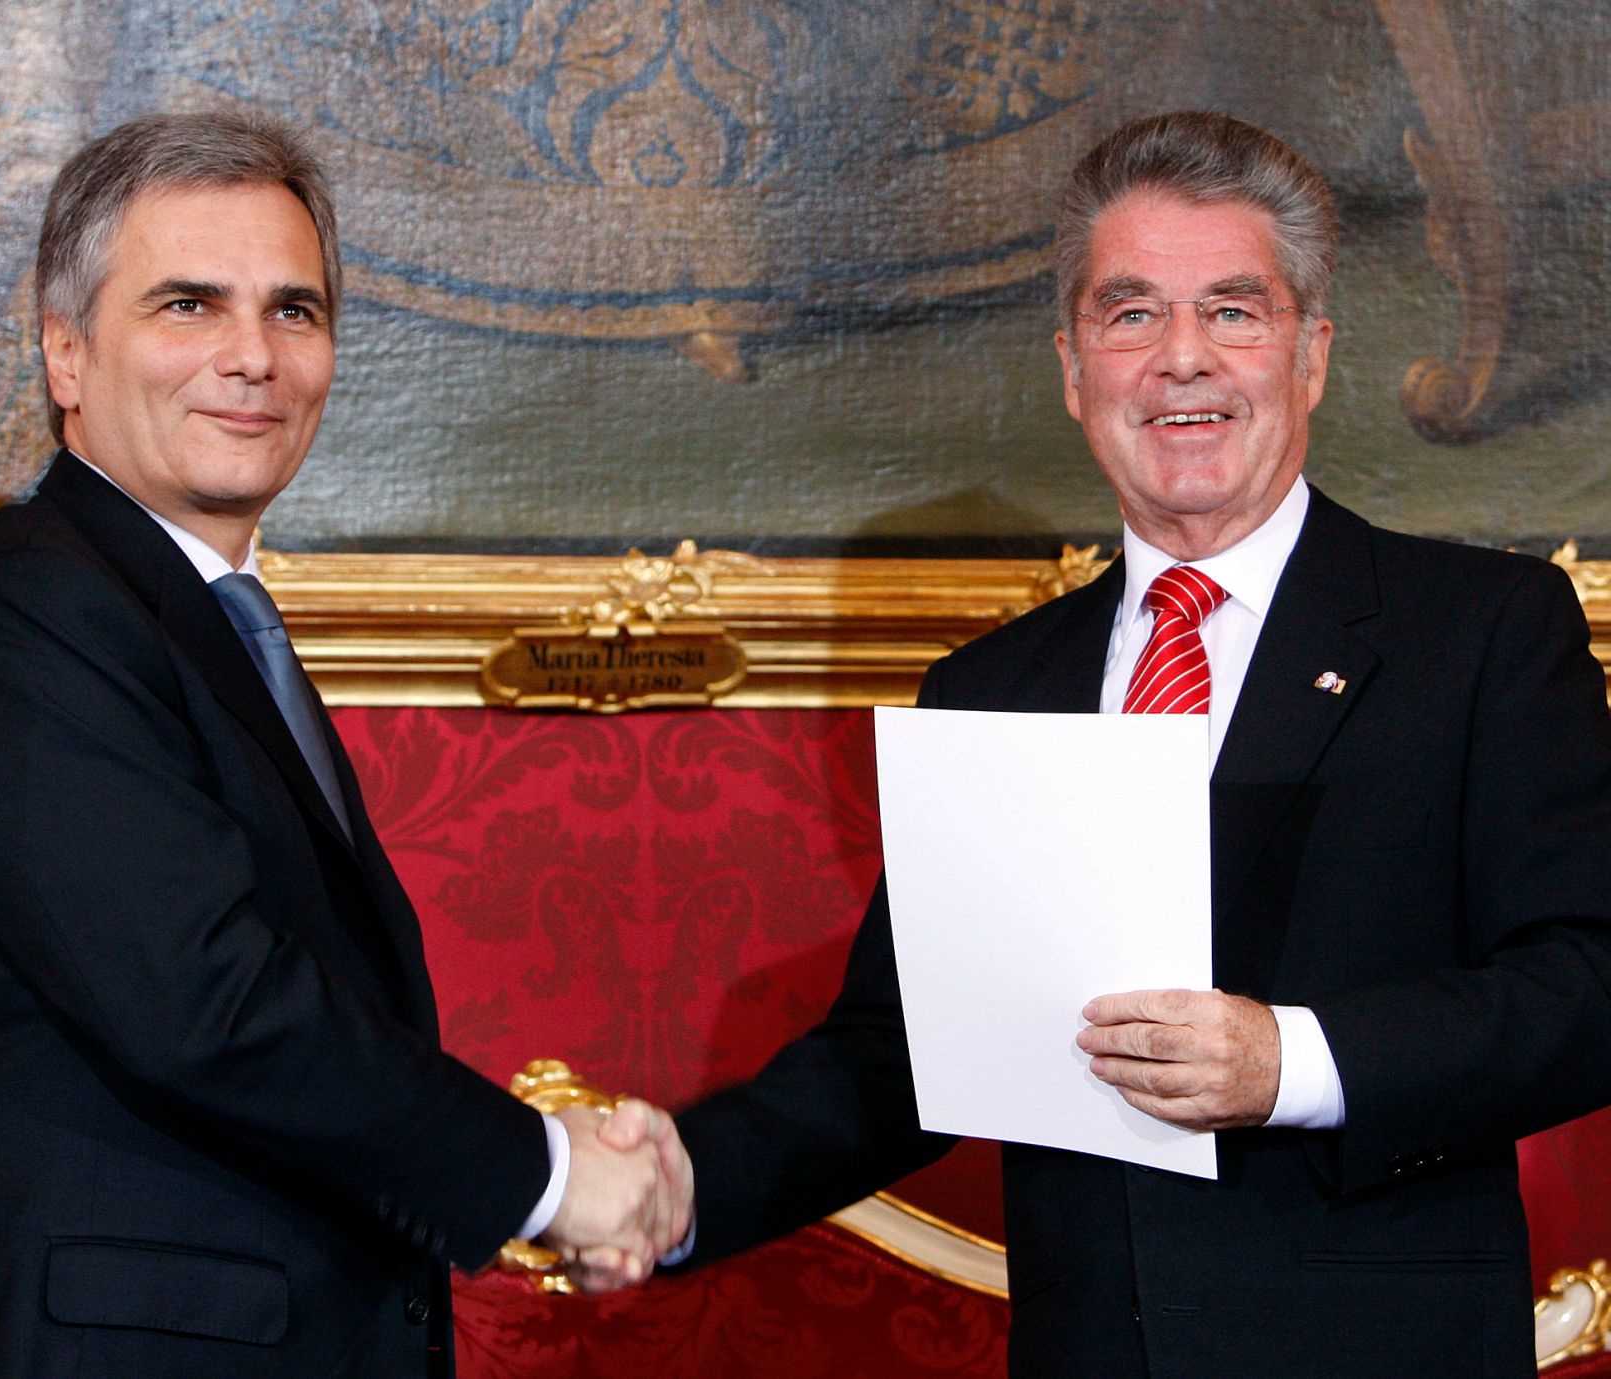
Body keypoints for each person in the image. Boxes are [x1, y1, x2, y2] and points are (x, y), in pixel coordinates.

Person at [637, 111, 1611, 1376]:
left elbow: (1588, 981)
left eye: (1233, 311)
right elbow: (898, 1051)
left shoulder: (1479, 631)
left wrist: (1291, 1060)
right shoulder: (992, 685)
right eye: (1131, 314)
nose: (1181, 361)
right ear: (1072, 367)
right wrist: (675, 1182)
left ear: (1309, 355)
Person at [0, 111, 688, 1379]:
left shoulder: (191, 614)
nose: (252, 356)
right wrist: (546, 1175)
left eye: (293, 311)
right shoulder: (29, 609)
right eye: (188, 305)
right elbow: (206, 998)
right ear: (65, 351)